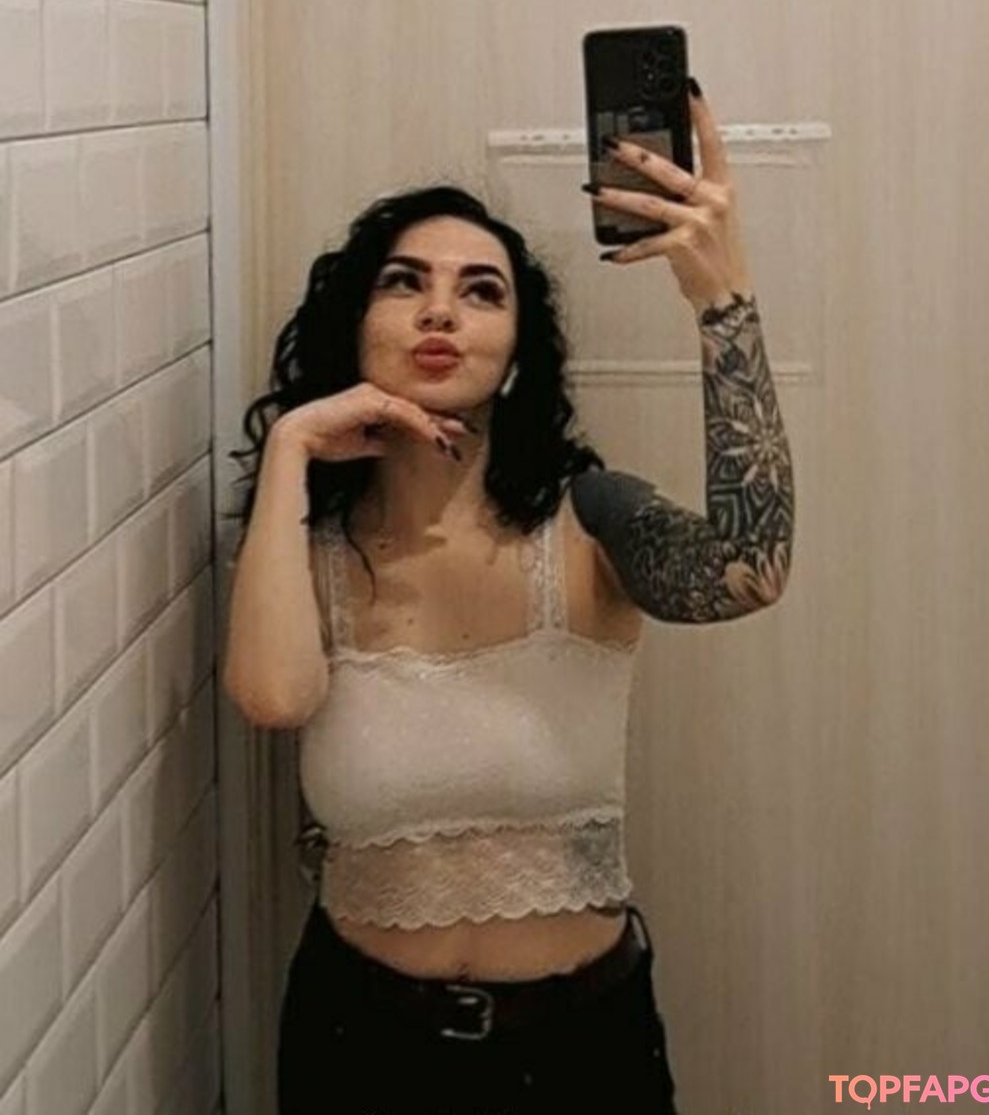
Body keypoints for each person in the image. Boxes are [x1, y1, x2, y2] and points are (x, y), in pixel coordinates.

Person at [223, 77, 795, 1115]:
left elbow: (748, 569)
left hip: (582, 1052)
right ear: (357, 326)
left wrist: (725, 303)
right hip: (356, 1046)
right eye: (405, 282)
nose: (441, 309)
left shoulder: (589, 517)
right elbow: (272, 695)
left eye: (483, 291)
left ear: (519, 352)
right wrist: (292, 449)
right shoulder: (303, 545)